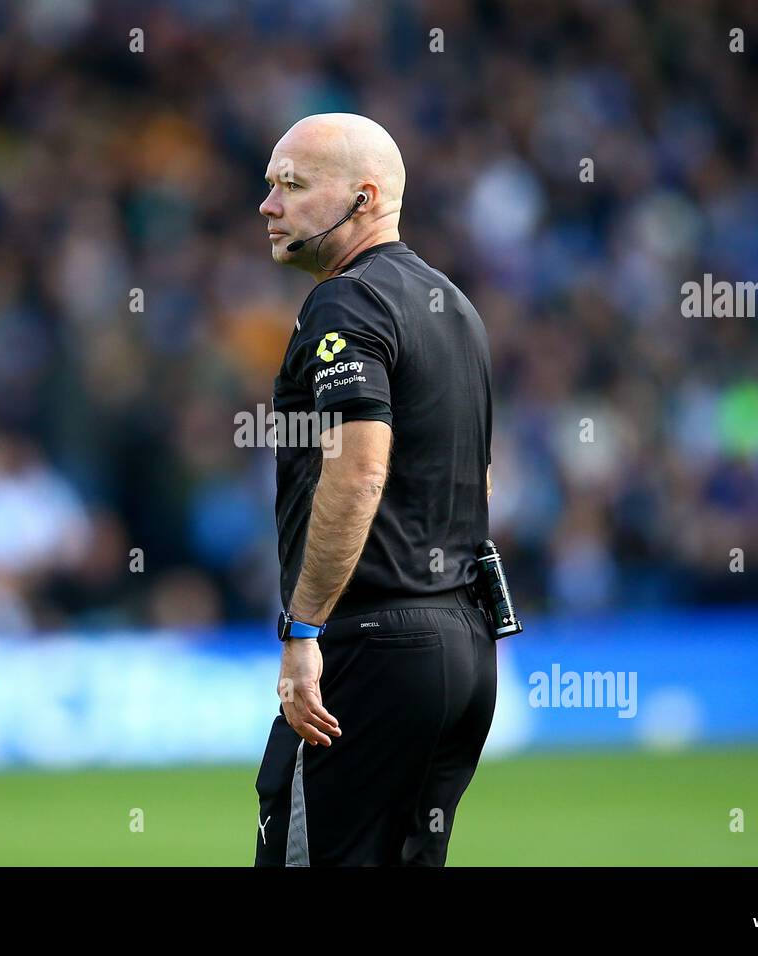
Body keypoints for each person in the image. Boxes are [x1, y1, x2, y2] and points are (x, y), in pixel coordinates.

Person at [253, 113, 498, 866]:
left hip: (368, 647)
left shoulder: (345, 302)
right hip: (463, 646)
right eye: (270, 185)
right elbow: (480, 475)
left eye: (291, 186)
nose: (268, 205)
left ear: (363, 199)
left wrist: (303, 632)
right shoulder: (452, 305)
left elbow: (357, 471)